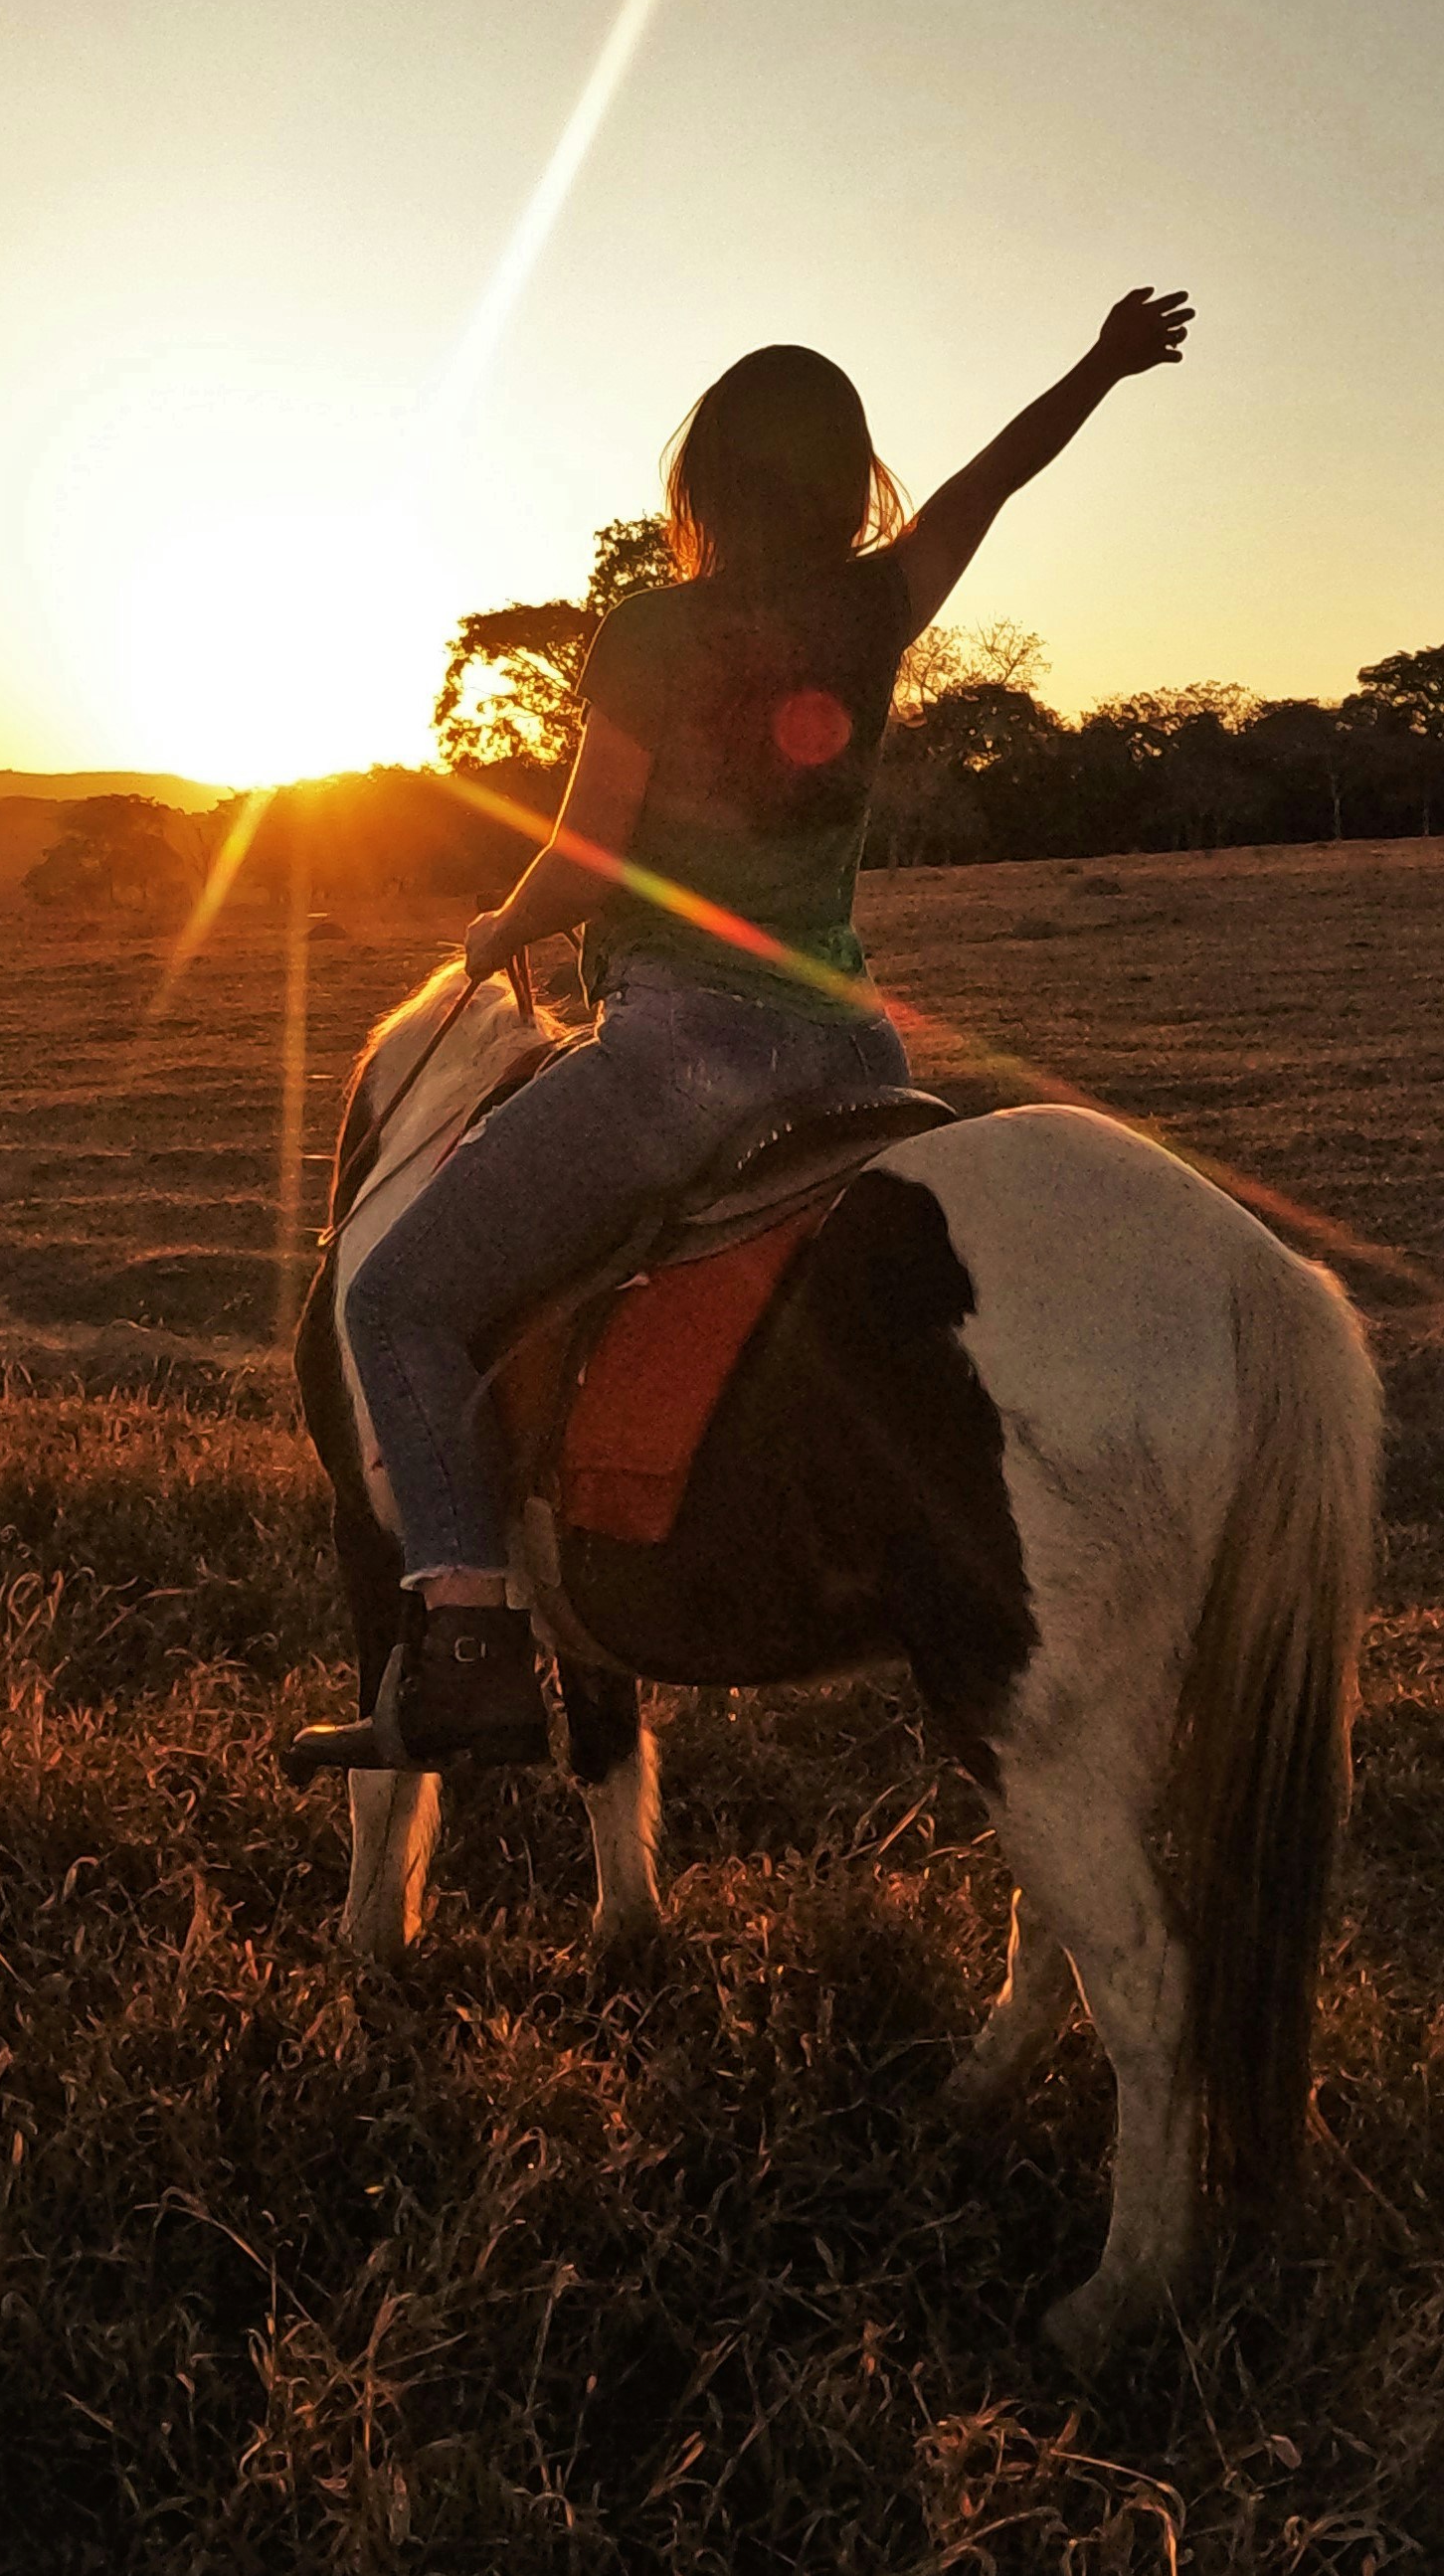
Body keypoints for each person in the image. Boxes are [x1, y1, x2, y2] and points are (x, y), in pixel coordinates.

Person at [342, 285, 1194, 1764]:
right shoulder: (875, 608)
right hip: (857, 1059)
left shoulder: (652, 630)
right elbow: (997, 475)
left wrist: (496, 930)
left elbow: (594, 857)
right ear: (845, 474)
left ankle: (470, 1630)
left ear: (708, 484)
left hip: (684, 1057)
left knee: (395, 1301)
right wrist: (1101, 366)